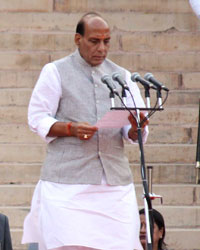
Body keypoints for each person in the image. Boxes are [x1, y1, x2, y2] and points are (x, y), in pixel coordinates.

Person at [22, 12, 149, 250]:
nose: (101, 48)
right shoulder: (55, 71)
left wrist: (135, 126)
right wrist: (70, 128)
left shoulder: (122, 77)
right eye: (94, 41)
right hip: (68, 184)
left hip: (114, 185)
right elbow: (36, 117)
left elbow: (134, 132)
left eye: (106, 41)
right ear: (77, 39)